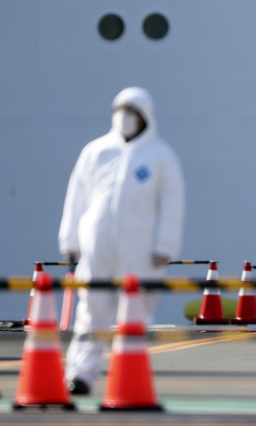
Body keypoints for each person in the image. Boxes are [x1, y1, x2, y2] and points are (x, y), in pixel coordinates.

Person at [58, 87, 185, 394]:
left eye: (132, 110)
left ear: (145, 116)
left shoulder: (160, 156)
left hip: (140, 251)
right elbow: (76, 197)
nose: (124, 116)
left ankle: (128, 374)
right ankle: (81, 374)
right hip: (97, 246)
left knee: (136, 312)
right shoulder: (96, 151)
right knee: (91, 310)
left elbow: (172, 203)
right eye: (121, 109)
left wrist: (165, 245)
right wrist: (70, 239)